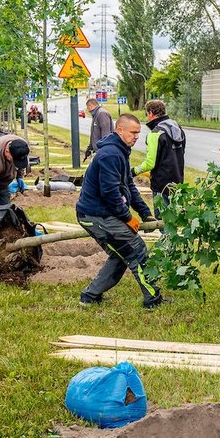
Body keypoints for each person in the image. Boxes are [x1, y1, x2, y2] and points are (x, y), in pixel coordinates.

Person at [76, 114, 169, 309]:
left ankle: (89, 296)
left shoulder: (120, 151)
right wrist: (127, 218)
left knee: (121, 255)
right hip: (96, 215)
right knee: (136, 249)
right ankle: (153, 298)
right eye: (132, 132)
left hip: (103, 213)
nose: (136, 136)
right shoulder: (110, 155)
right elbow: (110, 193)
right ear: (119, 130)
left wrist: (145, 213)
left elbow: (128, 186)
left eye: (138, 133)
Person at [132, 99, 186, 213]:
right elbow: (182, 153)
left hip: (161, 184)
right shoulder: (177, 128)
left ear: (151, 113)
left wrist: (134, 171)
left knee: (162, 218)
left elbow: (150, 163)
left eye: (147, 114)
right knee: (176, 216)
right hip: (178, 181)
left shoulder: (155, 133)